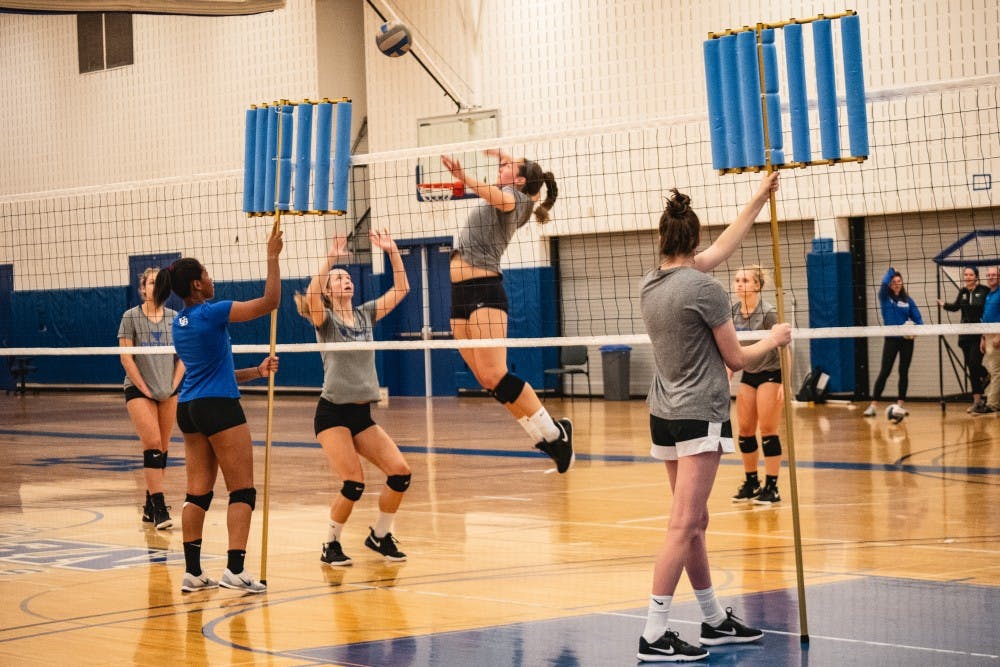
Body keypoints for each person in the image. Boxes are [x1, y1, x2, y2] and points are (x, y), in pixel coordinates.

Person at [637, 173, 788, 662]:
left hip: (663, 414)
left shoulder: (651, 283)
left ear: (663, 239)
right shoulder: (706, 289)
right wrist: (775, 338)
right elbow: (739, 361)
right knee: (683, 524)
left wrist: (758, 199)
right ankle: (655, 632)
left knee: (695, 521)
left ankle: (714, 619)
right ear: (693, 240)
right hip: (700, 414)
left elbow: (724, 245)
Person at [153, 227, 283, 594]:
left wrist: (256, 372)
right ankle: (235, 570)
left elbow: (211, 370)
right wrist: (272, 256)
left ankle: (193, 573)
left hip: (190, 406)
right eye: (207, 275)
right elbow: (269, 301)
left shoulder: (179, 323)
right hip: (218, 408)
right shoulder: (213, 312)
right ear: (196, 285)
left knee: (198, 494)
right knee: (242, 490)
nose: (212, 279)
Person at [441, 149, 573, 473]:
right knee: (488, 380)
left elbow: (498, 194)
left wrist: (464, 178)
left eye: (506, 167)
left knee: (496, 374)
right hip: (460, 293)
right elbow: (511, 177)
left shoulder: (518, 200)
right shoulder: (513, 192)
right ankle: (542, 436)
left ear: (520, 179)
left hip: (485, 290)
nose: (500, 168)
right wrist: (504, 155)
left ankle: (557, 433)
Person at [294, 230, 412, 566]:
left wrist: (392, 251)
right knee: (353, 482)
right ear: (330, 292)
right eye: (338, 279)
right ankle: (330, 544)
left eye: (347, 277)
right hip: (332, 414)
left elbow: (401, 289)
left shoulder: (364, 315)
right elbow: (311, 293)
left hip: (362, 415)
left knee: (400, 473)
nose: (345, 281)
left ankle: (380, 535)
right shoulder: (324, 320)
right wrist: (332, 256)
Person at [118, 267, 185, 530]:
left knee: (164, 448)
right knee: (153, 443)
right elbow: (126, 357)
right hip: (139, 389)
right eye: (151, 282)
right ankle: (159, 507)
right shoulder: (130, 317)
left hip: (168, 389)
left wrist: (173, 384)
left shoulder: (176, 319)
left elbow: (185, 357)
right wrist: (144, 389)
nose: (155, 287)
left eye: (160, 283)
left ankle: (148, 506)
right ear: (143, 288)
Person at [731, 265, 784, 505]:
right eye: (737, 280)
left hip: (771, 374)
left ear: (757, 285)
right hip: (749, 374)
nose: (739, 284)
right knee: (744, 430)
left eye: (744, 280)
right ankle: (752, 482)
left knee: (768, 430)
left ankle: (772, 487)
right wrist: (729, 368)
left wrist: (786, 382)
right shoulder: (732, 312)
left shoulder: (768, 313)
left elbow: (785, 347)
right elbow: (731, 346)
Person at [863, 267, 924, 418]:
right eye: (893, 282)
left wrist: (916, 330)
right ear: (890, 284)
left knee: (903, 372)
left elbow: (918, 319)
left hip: (906, 341)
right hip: (891, 339)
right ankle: (873, 406)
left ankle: (900, 406)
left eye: (899, 281)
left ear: (902, 283)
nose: (896, 284)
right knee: (885, 371)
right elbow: (883, 284)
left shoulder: (907, 300)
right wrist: (891, 271)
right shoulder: (885, 297)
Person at [937, 266, 991, 413]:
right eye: (965, 274)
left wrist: (985, 335)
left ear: (976, 276)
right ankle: (978, 402)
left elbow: (988, 311)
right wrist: (944, 305)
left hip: (979, 335)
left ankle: (986, 375)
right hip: (965, 336)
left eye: (970, 274)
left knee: (974, 365)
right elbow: (955, 307)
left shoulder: (984, 291)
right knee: (971, 368)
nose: (967, 277)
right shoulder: (963, 292)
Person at [980, 266, 1000, 412]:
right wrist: (983, 337)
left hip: (996, 334)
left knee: (996, 371)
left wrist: (999, 334)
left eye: (994, 274)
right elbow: (986, 316)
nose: (990, 276)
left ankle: (992, 404)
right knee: (993, 370)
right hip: (987, 335)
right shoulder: (989, 294)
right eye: (988, 274)